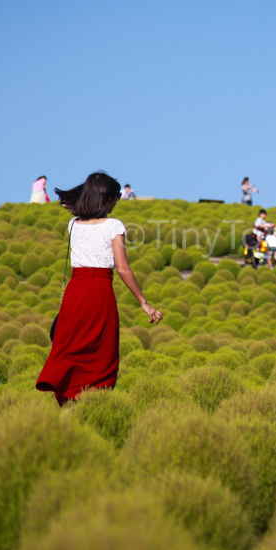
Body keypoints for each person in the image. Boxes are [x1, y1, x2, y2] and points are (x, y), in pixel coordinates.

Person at [36, 172, 163, 406]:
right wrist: (144, 303)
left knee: (71, 348)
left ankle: (67, 405)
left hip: (76, 291)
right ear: (106, 198)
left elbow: (76, 210)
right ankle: (92, 406)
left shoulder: (73, 224)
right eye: (115, 198)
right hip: (99, 291)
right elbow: (123, 269)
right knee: (102, 353)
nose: (117, 202)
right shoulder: (114, 226)